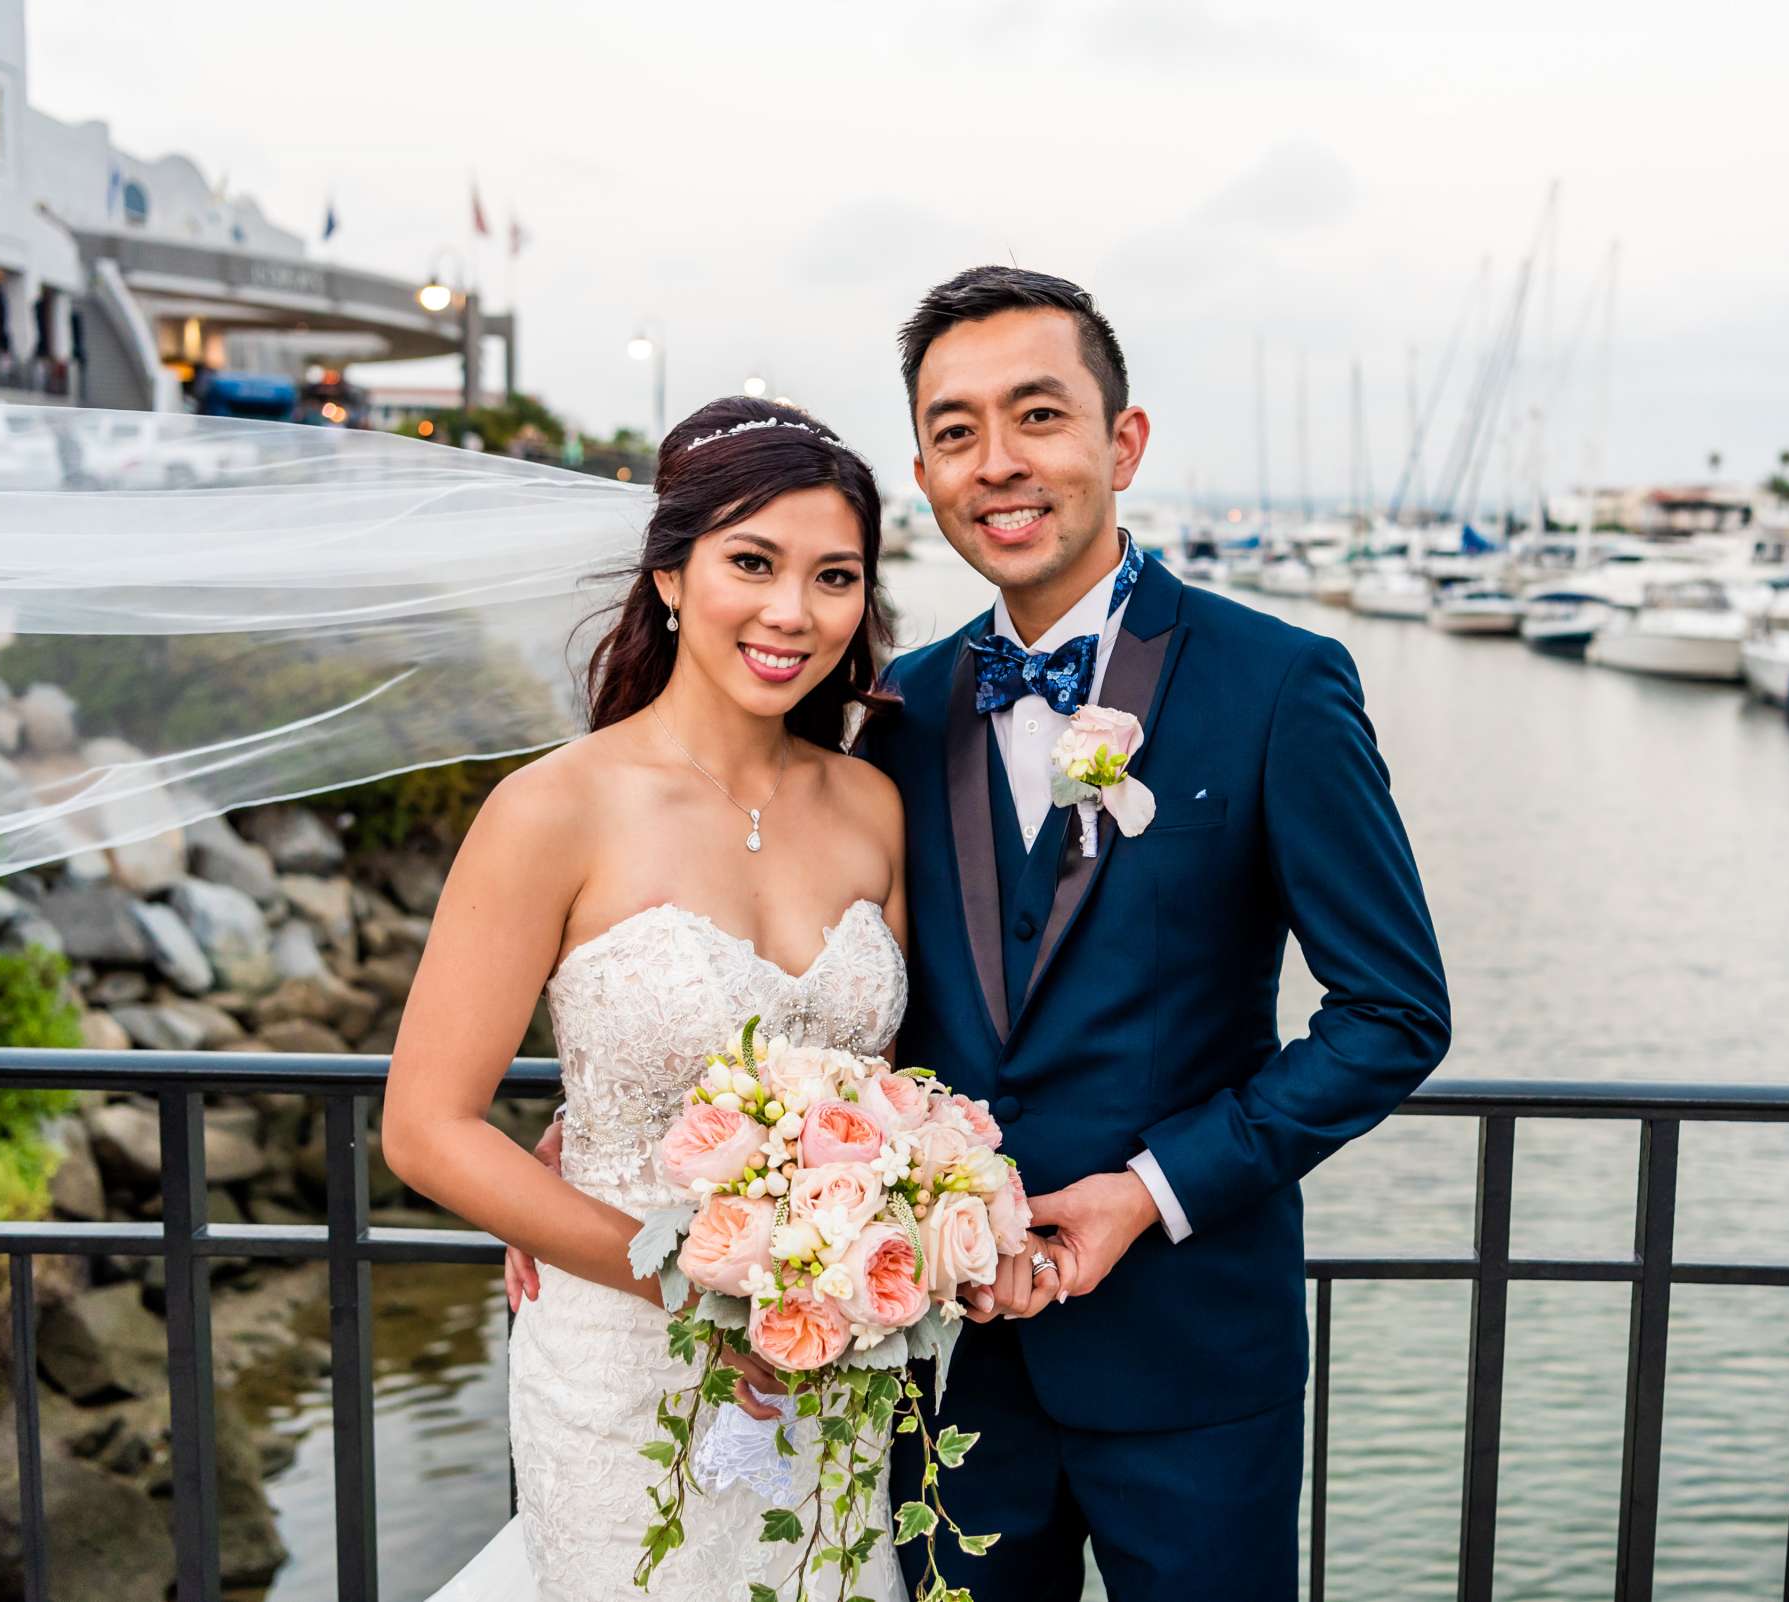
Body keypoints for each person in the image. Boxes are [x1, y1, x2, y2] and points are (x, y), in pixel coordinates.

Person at [855, 266, 1452, 1599]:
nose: (997, 464)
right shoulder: (900, 707)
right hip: (949, 1361)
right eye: (956, 432)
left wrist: (1154, 1189)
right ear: (924, 469)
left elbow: (1392, 1012)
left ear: (1121, 443)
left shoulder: (1280, 683)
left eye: (1038, 416)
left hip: (1196, 1370)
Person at [384, 397, 992, 1600]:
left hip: (829, 1363)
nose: (792, 613)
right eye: (751, 563)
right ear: (670, 573)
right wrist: (694, 1275)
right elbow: (426, 1127)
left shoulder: (873, 807)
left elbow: (895, 1080)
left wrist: (890, 1217)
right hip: (622, 1365)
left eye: (834, 577)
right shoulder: (552, 809)